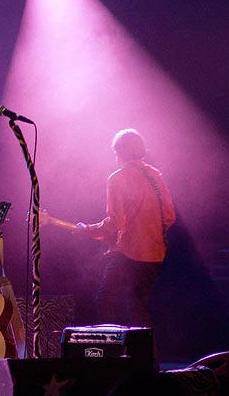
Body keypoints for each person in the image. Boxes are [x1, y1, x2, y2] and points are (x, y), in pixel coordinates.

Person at [75, 128, 176, 328]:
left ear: (119, 152)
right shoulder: (156, 176)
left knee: (105, 299)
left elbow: (115, 223)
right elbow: (170, 216)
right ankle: (146, 357)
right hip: (155, 254)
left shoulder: (117, 178)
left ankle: (115, 355)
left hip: (129, 253)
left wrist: (87, 229)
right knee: (137, 306)